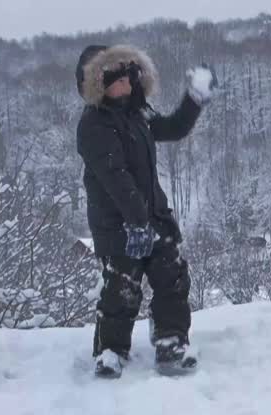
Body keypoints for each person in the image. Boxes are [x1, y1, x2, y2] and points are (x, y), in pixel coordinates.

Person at [74, 44, 216, 378]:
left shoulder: (138, 113)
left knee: (172, 278)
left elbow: (173, 128)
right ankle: (110, 350)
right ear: (99, 84)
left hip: (154, 214)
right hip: (118, 224)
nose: (126, 84)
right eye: (118, 79)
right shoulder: (94, 125)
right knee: (121, 287)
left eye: (130, 76)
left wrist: (194, 100)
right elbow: (117, 179)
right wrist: (136, 224)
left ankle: (170, 342)